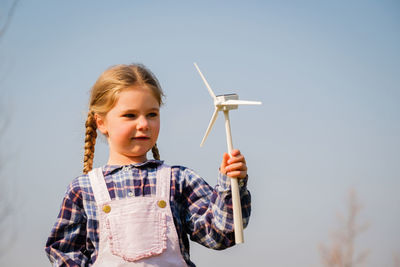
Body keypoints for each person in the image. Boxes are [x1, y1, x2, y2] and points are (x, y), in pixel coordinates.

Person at [45, 63, 251, 267]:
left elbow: (221, 234)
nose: (144, 124)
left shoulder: (179, 180)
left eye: (152, 114)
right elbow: (64, 251)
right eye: (130, 115)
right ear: (101, 123)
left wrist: (230, 184)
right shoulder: (83, 190)